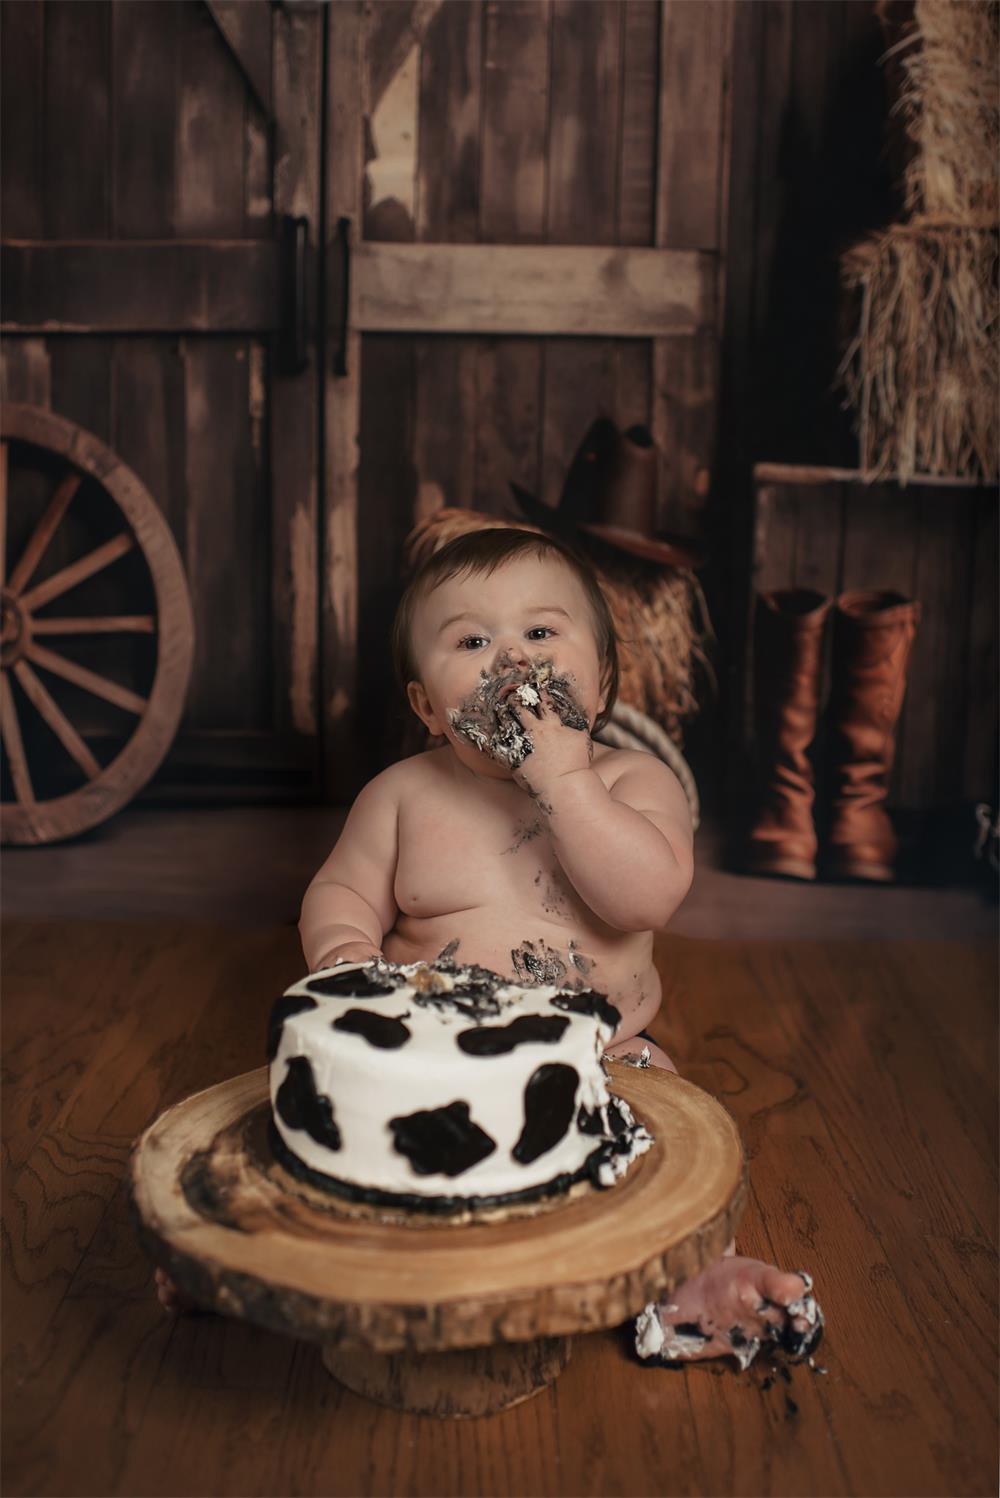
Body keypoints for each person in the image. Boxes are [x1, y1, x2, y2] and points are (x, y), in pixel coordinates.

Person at [159, 526, 823, 1370]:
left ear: (606, 681)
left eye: (541, 634)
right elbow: (339, 893)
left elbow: (646, 896)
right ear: (428, 707)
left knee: (665, 1159)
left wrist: (564, 780)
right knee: (319, 1143)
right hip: (427, 1061)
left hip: (602, 1059)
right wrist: (345, 960)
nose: (512, 660)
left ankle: (690, 1279)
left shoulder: (631, 785)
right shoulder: (401, 797)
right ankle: (242, 1257)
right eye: (472, 641)